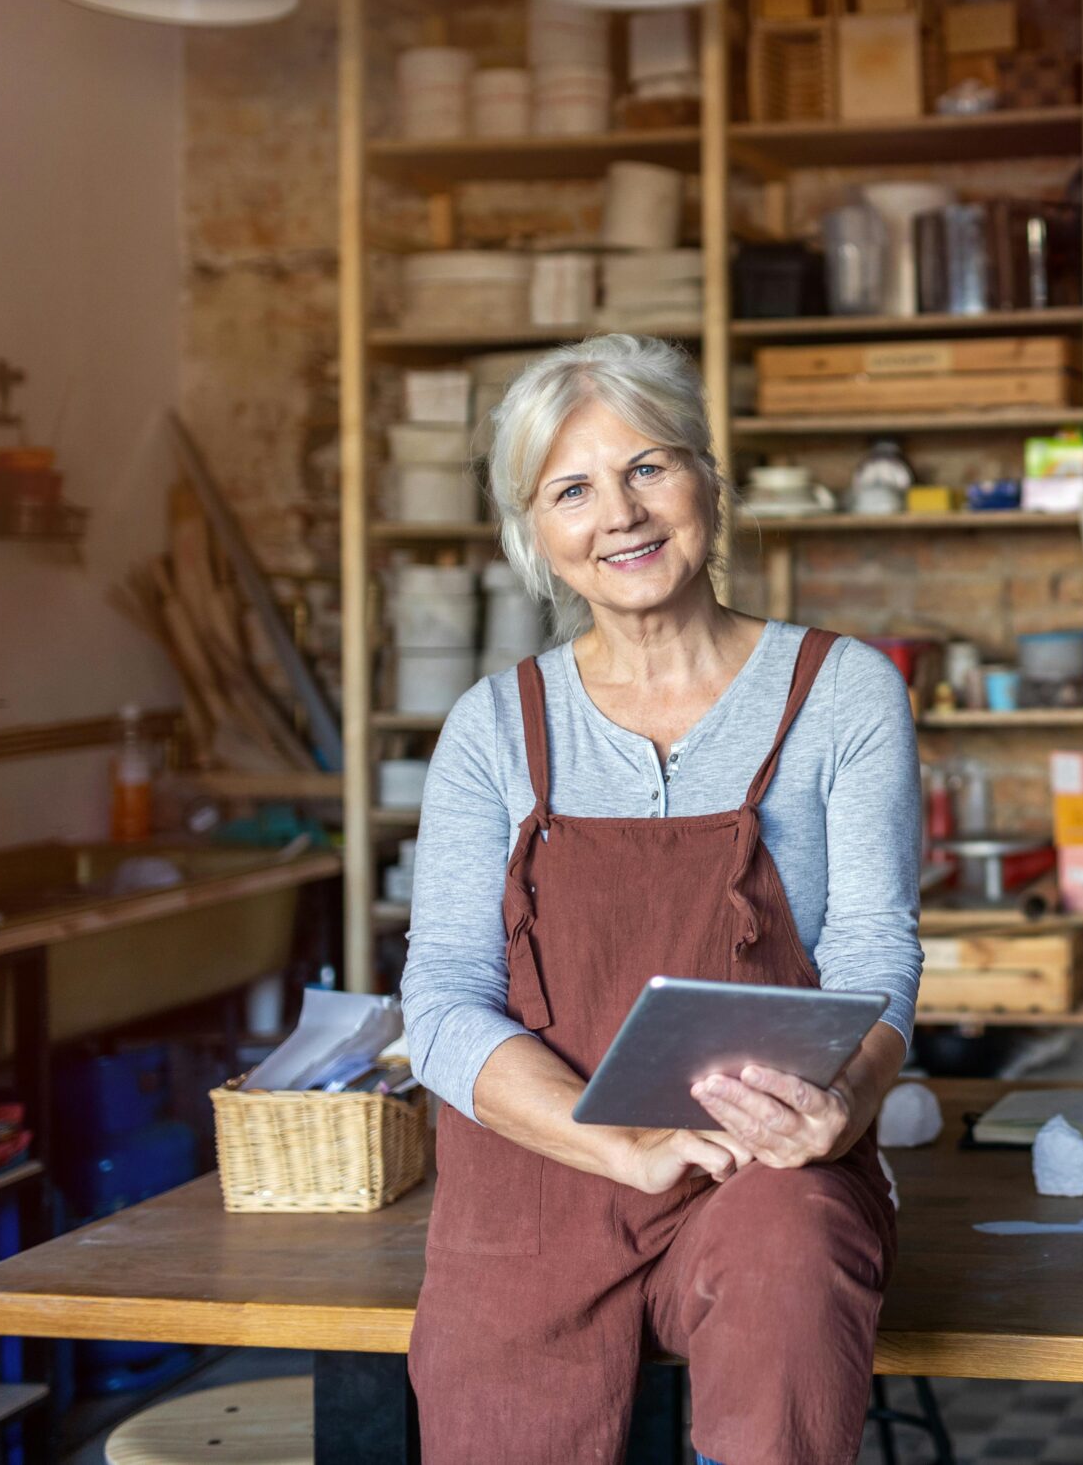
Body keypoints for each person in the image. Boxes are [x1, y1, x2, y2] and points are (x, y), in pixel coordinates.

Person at [400, 335, 922, 1465]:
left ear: (708, 481)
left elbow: (876, 948)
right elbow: (439, 1003)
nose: (621, 515)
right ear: (533, 533)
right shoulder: (493, 730)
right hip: (540, 1175)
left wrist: (850, 1099)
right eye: (572, 490)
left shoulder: (841, 692)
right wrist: (619, 1147)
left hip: (760, 1162)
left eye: (649, 467)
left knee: (791, 1262)